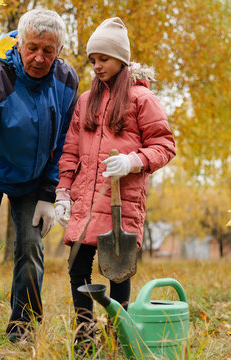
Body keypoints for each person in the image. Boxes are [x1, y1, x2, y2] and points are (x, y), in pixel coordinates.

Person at [0, 9, 79, 356]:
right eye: (32, 47)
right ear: (19, 43)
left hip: (35, 180)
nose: (39, 57)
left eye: (48, 50)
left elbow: (66, 140)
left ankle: (23, 329)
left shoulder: (67, 81)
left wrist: (50, 193)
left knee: (31, 248)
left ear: (60, 49)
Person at [54, 17, 176, 353]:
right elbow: (69, 151)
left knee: (118, 271)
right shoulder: (85, 100)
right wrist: (63, 191)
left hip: (122, 203)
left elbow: (165, 146)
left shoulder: (141, 99)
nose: (96, 67)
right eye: (92, 60)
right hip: (85, 201)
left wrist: (134, 161)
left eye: (103, 59)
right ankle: (84, 334)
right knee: (77, 266)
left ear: (121, 59)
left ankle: (117, 337)